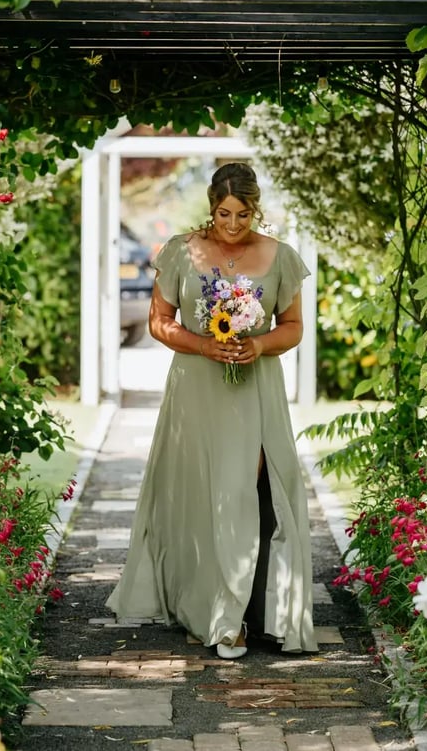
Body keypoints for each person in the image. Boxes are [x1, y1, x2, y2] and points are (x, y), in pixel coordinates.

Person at [106, 162, 318, 658]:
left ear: (254, 209)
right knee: (203, 497)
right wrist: (204, 347)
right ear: (211, 208)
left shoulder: (279, 256)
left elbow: (293, 326)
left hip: (254, 389)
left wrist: (259, 345)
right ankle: (206, 608)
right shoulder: (181, 252)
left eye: (242, 214)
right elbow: (159, 321)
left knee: (245, 492)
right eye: (224, 213)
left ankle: (238, 616)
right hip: (196, 390)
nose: (232, 223)